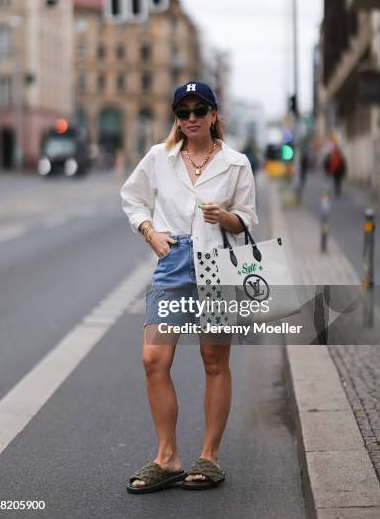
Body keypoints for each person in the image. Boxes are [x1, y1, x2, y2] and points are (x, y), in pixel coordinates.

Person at [120, 81, 258, 493]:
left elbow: (249, 219)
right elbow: (132, 198)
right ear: (176, 118)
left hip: (218, 263)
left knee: (213, 360)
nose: (192, 118)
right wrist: (149, 231)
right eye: (184, 112)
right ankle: (167, 458)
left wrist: (226, 218)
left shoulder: (236, 163)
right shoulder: (158, 158)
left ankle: (209, 457)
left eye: (200, 110)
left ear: (215, 115)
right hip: (174, 261)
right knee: (153, 359)